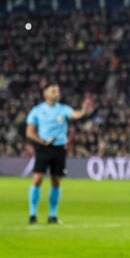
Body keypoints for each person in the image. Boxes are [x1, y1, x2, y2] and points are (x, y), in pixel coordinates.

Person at [26, 83, 93, 224]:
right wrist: (42, 141)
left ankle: (53, 215)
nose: (57, 93)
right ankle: (32, 214)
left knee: (56, 181)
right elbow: (29, 132)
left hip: (59, 148)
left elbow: (75, 115)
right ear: (46, 94)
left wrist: (84, 110)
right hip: (43, 147)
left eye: (58, 91)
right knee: (37, 179)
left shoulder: (64, 109)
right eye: (53, 91)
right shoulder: (37, 110)